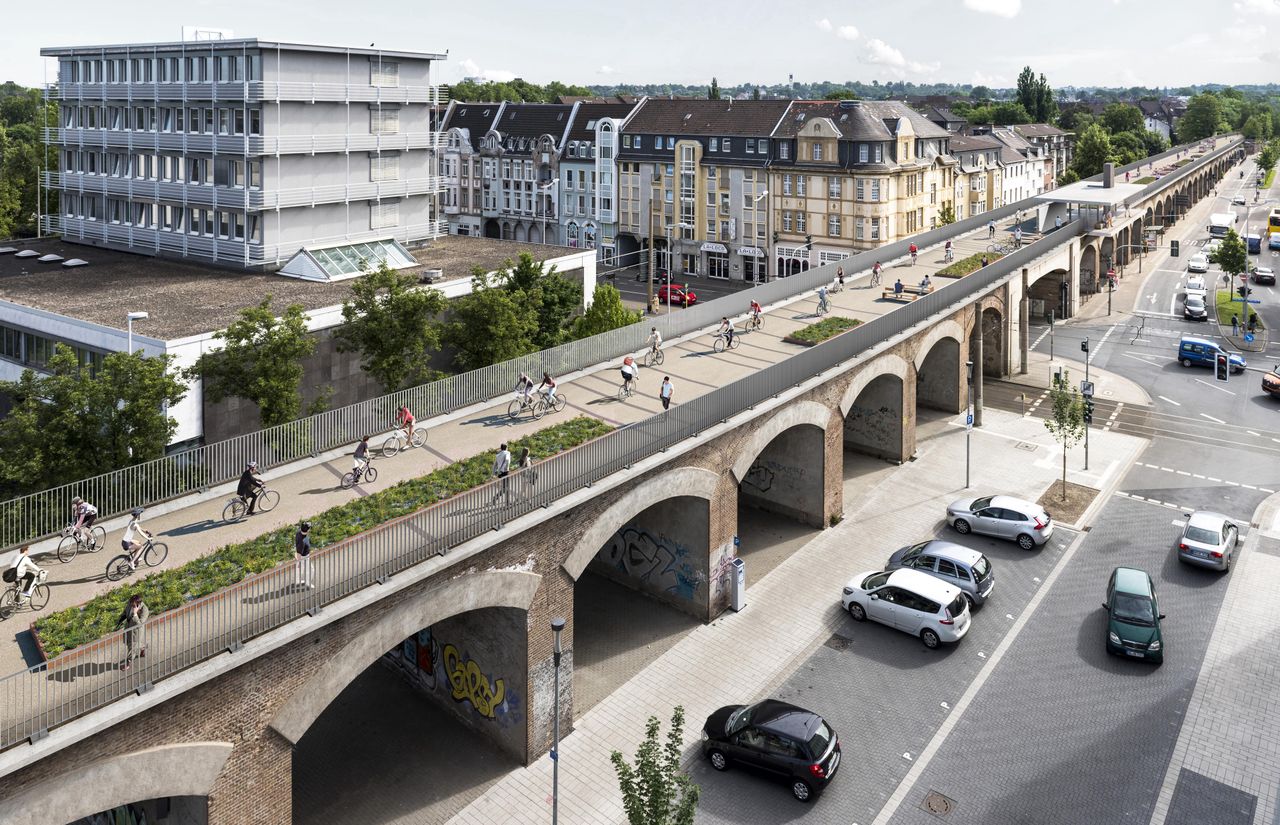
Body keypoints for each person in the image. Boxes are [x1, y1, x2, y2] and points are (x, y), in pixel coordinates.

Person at [115, 594, 149, 671]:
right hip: (128, 629)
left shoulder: (144, 610)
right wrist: (121, 618)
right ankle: (143, 647)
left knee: (131, 649)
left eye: (132, 604)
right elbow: (125, 611)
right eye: (130, 603)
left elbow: (140, 624)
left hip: (136, 633)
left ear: (138, 604)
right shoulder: (130, 603)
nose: (130, 604)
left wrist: (135, 614)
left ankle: (127, 665)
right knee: (132, 644)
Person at [294, 521, 314, 590]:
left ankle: (297, 581)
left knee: (300, 569)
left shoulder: (298, 532)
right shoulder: (303, 541)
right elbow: (299, 553)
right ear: (307, 530)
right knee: (311, 569)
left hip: (301, 556)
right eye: (309, 528)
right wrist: (299, 561)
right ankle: (308, 583)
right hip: (304, 557)